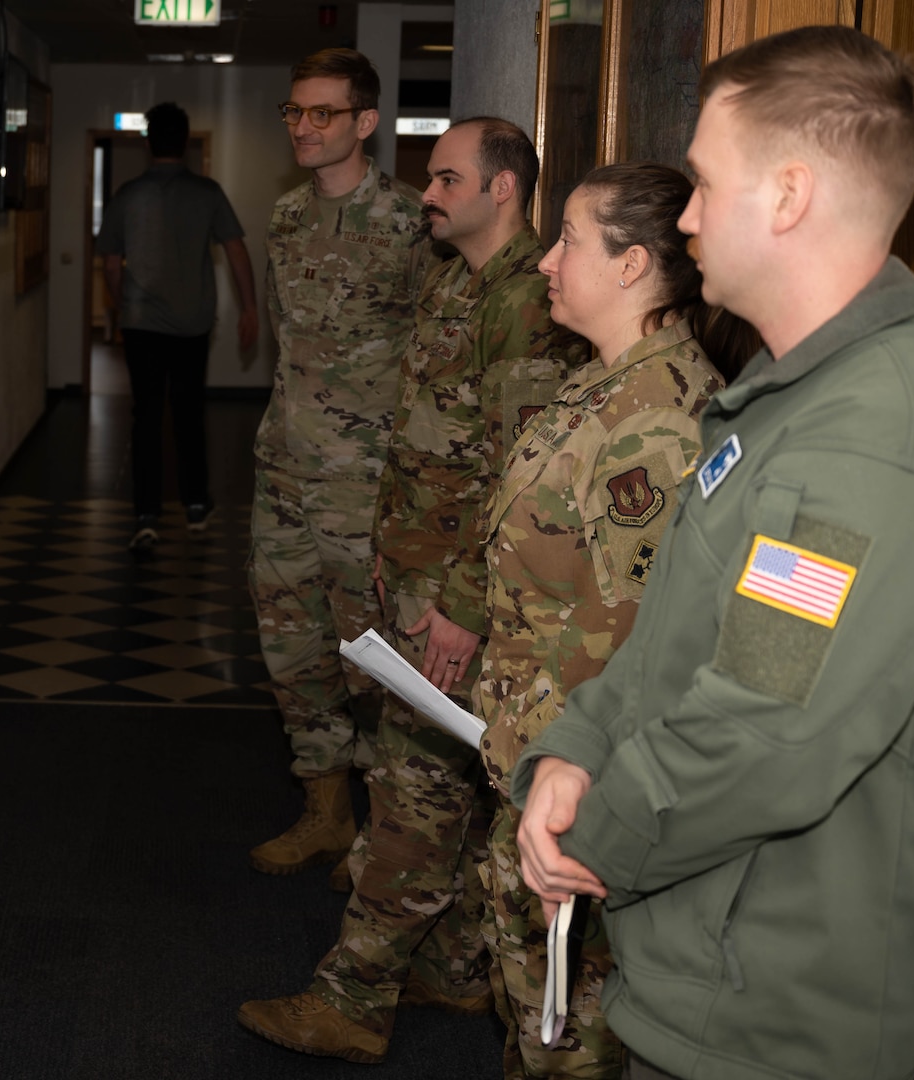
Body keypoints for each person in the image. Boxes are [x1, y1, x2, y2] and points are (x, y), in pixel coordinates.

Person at [515, 26, 914, 1080]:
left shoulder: (866, 443)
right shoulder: (785, 410)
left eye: (706, 184)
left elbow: (763, 732)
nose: (690, 217)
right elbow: (672, 639)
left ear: (789, 196)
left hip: (772, 1014)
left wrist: (594, 833)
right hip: (710, 961)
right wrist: (574, 748)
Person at [240, 116, 585, 1063]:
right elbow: (424, 438)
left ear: (502, 189)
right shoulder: (451, 284)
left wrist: (463, 609)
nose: (424, 194)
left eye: (444, 179)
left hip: (460, 604)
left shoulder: (523, 304)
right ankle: (458, 966)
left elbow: (521, 477)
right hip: (419, 581)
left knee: (409, 801)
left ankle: (352, 998)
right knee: (442, 794)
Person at [478, 162, 747, 1079]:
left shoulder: (656, 420)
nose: (545, 260)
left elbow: (625, 637)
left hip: (577, 778)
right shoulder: (601, 385)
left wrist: (560, 770)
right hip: (532, 750)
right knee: (532, 1016)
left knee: (571, 1029)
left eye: (568, 241)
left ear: (631, 265)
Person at [247, 47, 432, 884]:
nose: (304, 127)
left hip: (365, 484)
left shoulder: (410, 221)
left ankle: (385, 832)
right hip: (283, 473)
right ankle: (323, 812)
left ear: (365, 122)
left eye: (323, 113)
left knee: (374, 659)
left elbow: (435, 353)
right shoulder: (284, 217)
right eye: (294, 112)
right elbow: (289, 342)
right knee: (292, 651)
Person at [96, 101, 257, 549]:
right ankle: (196, 505)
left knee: (145, 416)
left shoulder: (128, 195)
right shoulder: (208, 192)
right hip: (192, 324)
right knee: (189, 413)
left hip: (142, 323)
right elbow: (237, 251)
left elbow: (111, 263)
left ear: (149, 143)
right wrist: (250, 308)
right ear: (185, 142)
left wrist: (120, 303)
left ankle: (146, 513)